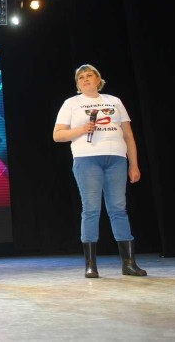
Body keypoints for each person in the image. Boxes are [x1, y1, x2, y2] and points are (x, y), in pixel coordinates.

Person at [53, 63, 147, 278]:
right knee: (91, 209)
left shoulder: (114, 101)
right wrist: (80, 129)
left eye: (89, 75)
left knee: (118, 208)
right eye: (81, 78)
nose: (85, 79)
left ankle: (129, 263)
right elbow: (57, 135)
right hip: (87, 159)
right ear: (78, 85)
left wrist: (133, 164)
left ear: (98, 79)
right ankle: (91, 264)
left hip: (116, 159)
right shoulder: (71, 103)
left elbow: (128, 135)